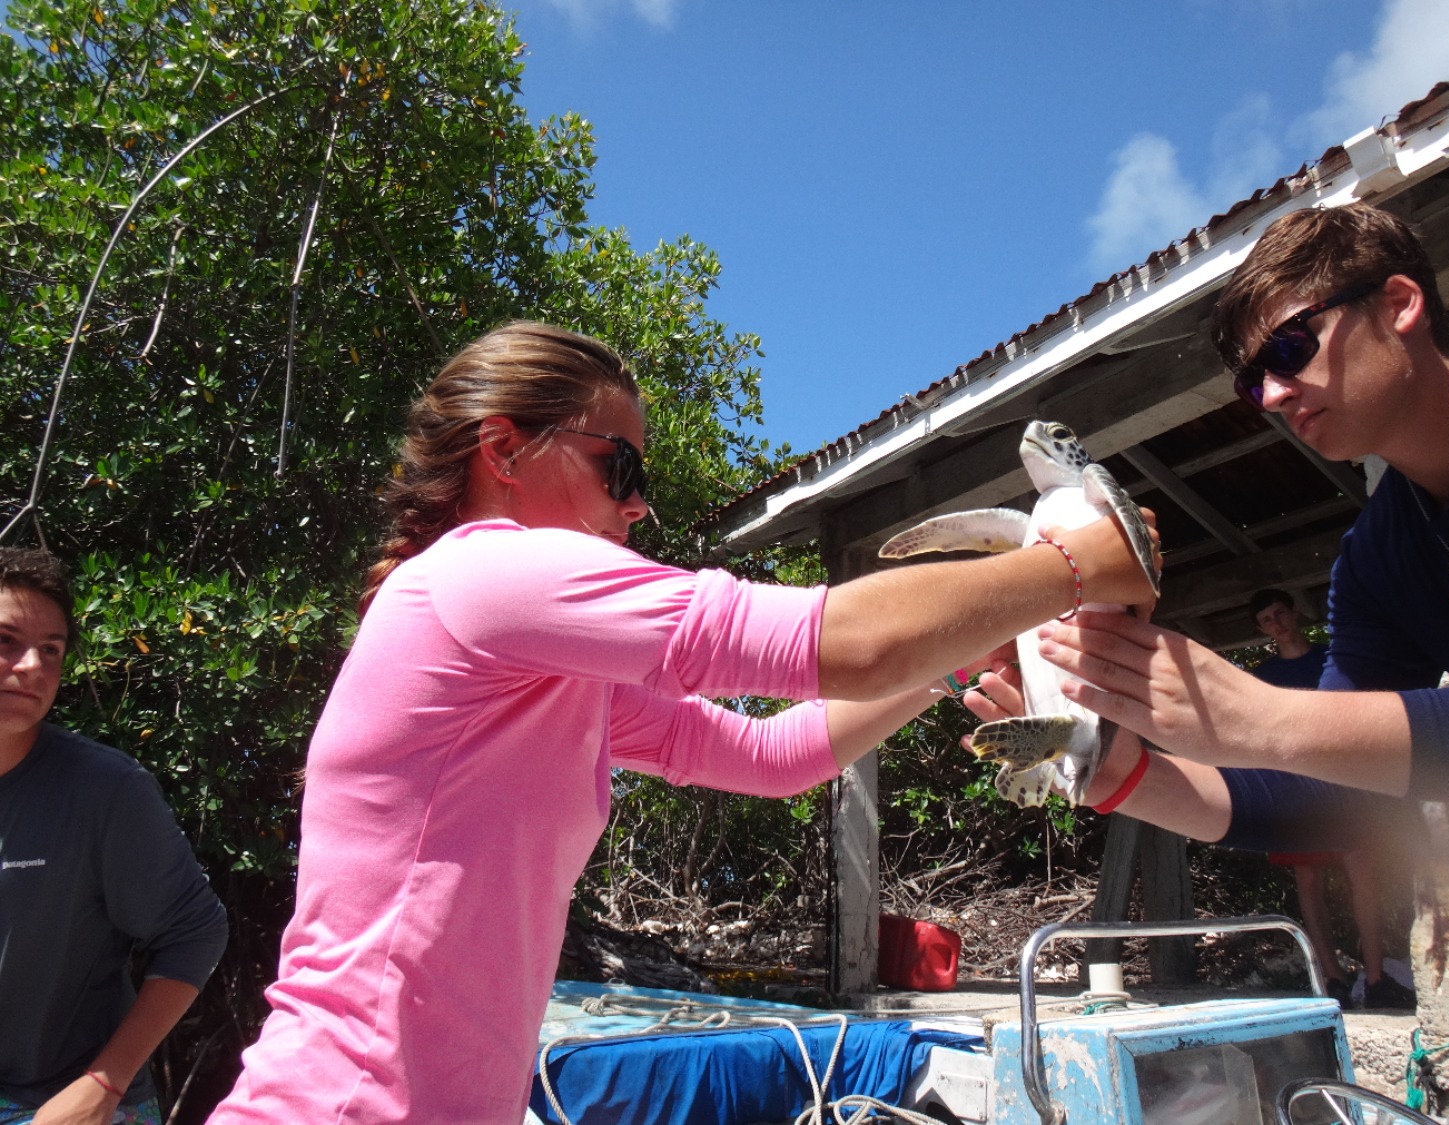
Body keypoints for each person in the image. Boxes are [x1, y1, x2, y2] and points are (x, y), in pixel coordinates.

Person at [205, 321, 1158, 1124]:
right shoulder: (478, 576)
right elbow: (845, 641)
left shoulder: (533, 667)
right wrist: (1076, 565)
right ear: (502, 451)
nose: (639, 502)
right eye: (615, 465)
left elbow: (769, 755)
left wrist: (950, 659)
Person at [969, 203, 1449, 959]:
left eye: (1290, 347)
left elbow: (1302, 737)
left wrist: (1266, 719)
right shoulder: (1375, 559)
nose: (1273, 394)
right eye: (1253, 381)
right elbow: (1343, 793)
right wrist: (1116, 770)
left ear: (1399, 303)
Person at [0, 547, 227, 1125]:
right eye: (6, 641)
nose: (31, 666)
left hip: (64, 1103)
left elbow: (196, 930)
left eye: (51, 649)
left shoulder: (104, 790)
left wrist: (103, 1084)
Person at [1245, 588, 1404, 1009]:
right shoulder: (1263, 676)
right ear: (1261, 629)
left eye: (1280, 613)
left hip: (1348, 776)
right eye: (1267, 620)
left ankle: (1376, 979)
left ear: (1295, 613)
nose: (1277, 623)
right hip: (1297, 785)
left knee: (1363, 872)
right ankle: (1332, 978)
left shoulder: (1331, 659)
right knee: (1308, 878)